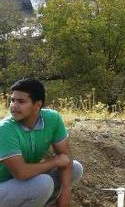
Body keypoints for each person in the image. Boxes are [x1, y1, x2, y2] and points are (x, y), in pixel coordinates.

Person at [0, 78, 83, 207]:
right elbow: (21, 173)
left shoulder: (52, 119)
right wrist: (54, 162)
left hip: (24, 185)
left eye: (21, 101)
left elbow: (66, 157)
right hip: (3, 186)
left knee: (75, 168)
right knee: (43, 184)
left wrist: (66, 192)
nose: (13, 106)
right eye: (12, 100)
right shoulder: (5, 128)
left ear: (37, 105)